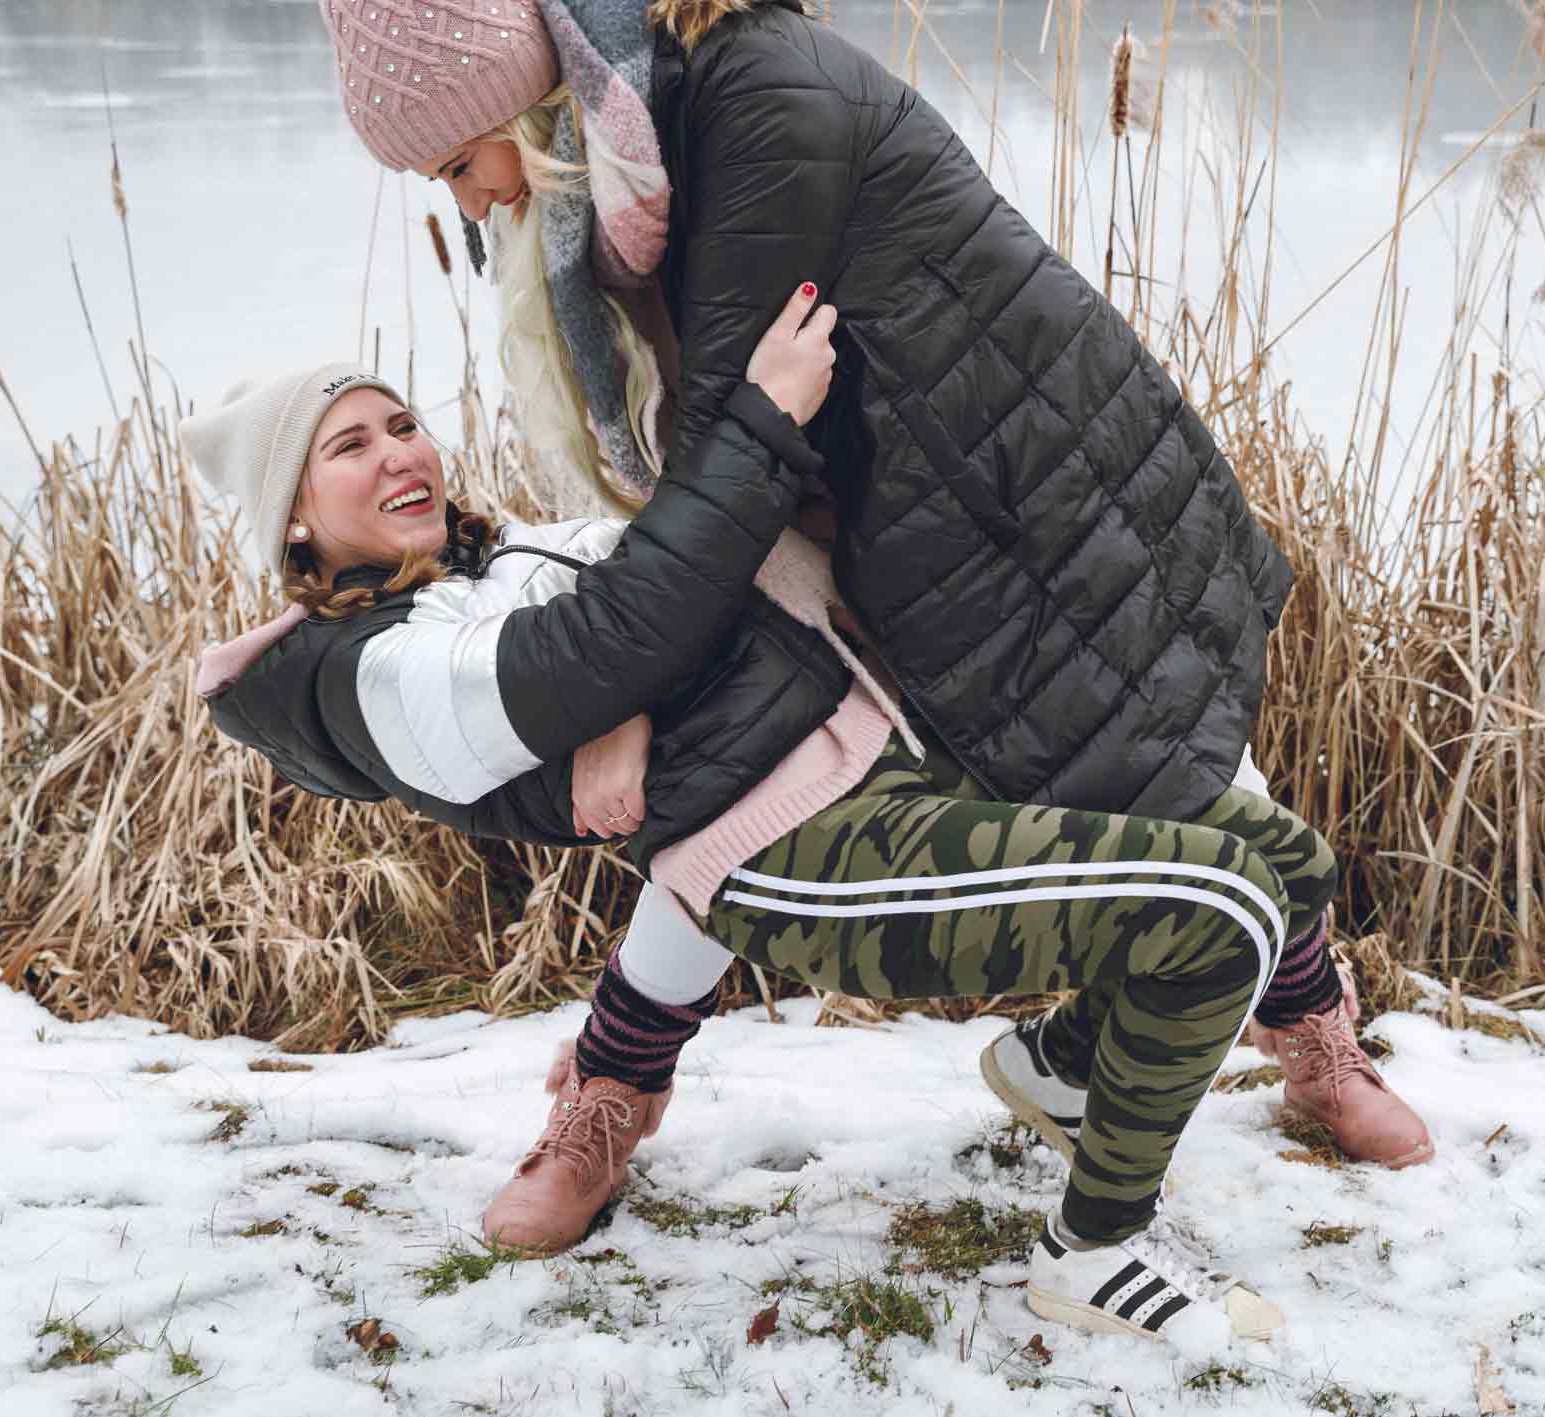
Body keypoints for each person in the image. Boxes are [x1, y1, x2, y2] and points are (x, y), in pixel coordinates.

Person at [305, 0, 1433, 1180]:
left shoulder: (750, 101)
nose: (470, 200)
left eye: (459, 161)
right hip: (870, 474)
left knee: (1169, 739)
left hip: (1013, 472)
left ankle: (1315, 1039)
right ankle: (610, 1093)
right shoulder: (627, 137)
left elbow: (725, 427)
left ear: (516, 95)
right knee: (746, 770)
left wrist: (623, 687)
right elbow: (728, 443)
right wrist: (635, 686)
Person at [182, 302, 1383, 1349]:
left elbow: (673, 581)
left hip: (882, 746)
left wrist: (624, 699)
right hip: (785, 844)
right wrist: (734, 465)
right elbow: (610, 631)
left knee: (1282, 856)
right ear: (295, 522)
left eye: (402, 423)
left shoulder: (524, 558)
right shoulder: (371, 671)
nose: (400, 453)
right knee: (1212, 906)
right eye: (349, 445)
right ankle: (1095, 1248)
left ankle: (1065, 1068)